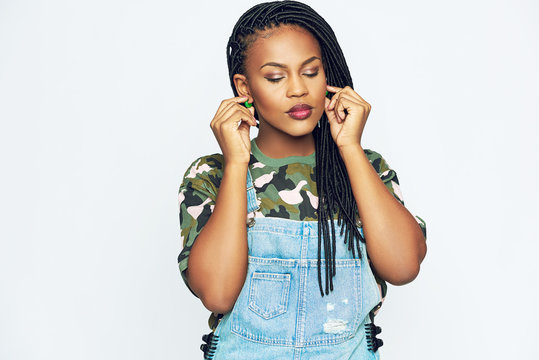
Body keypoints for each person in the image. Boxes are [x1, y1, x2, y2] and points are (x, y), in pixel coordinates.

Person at [177, 1, 427, 358]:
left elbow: (403, 267)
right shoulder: (211, 176)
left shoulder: (366, 169)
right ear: (244, 88)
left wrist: (350, 148)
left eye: (311, 72)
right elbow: (216, 293)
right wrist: (236, 163)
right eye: (276, 77)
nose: (297, 89)